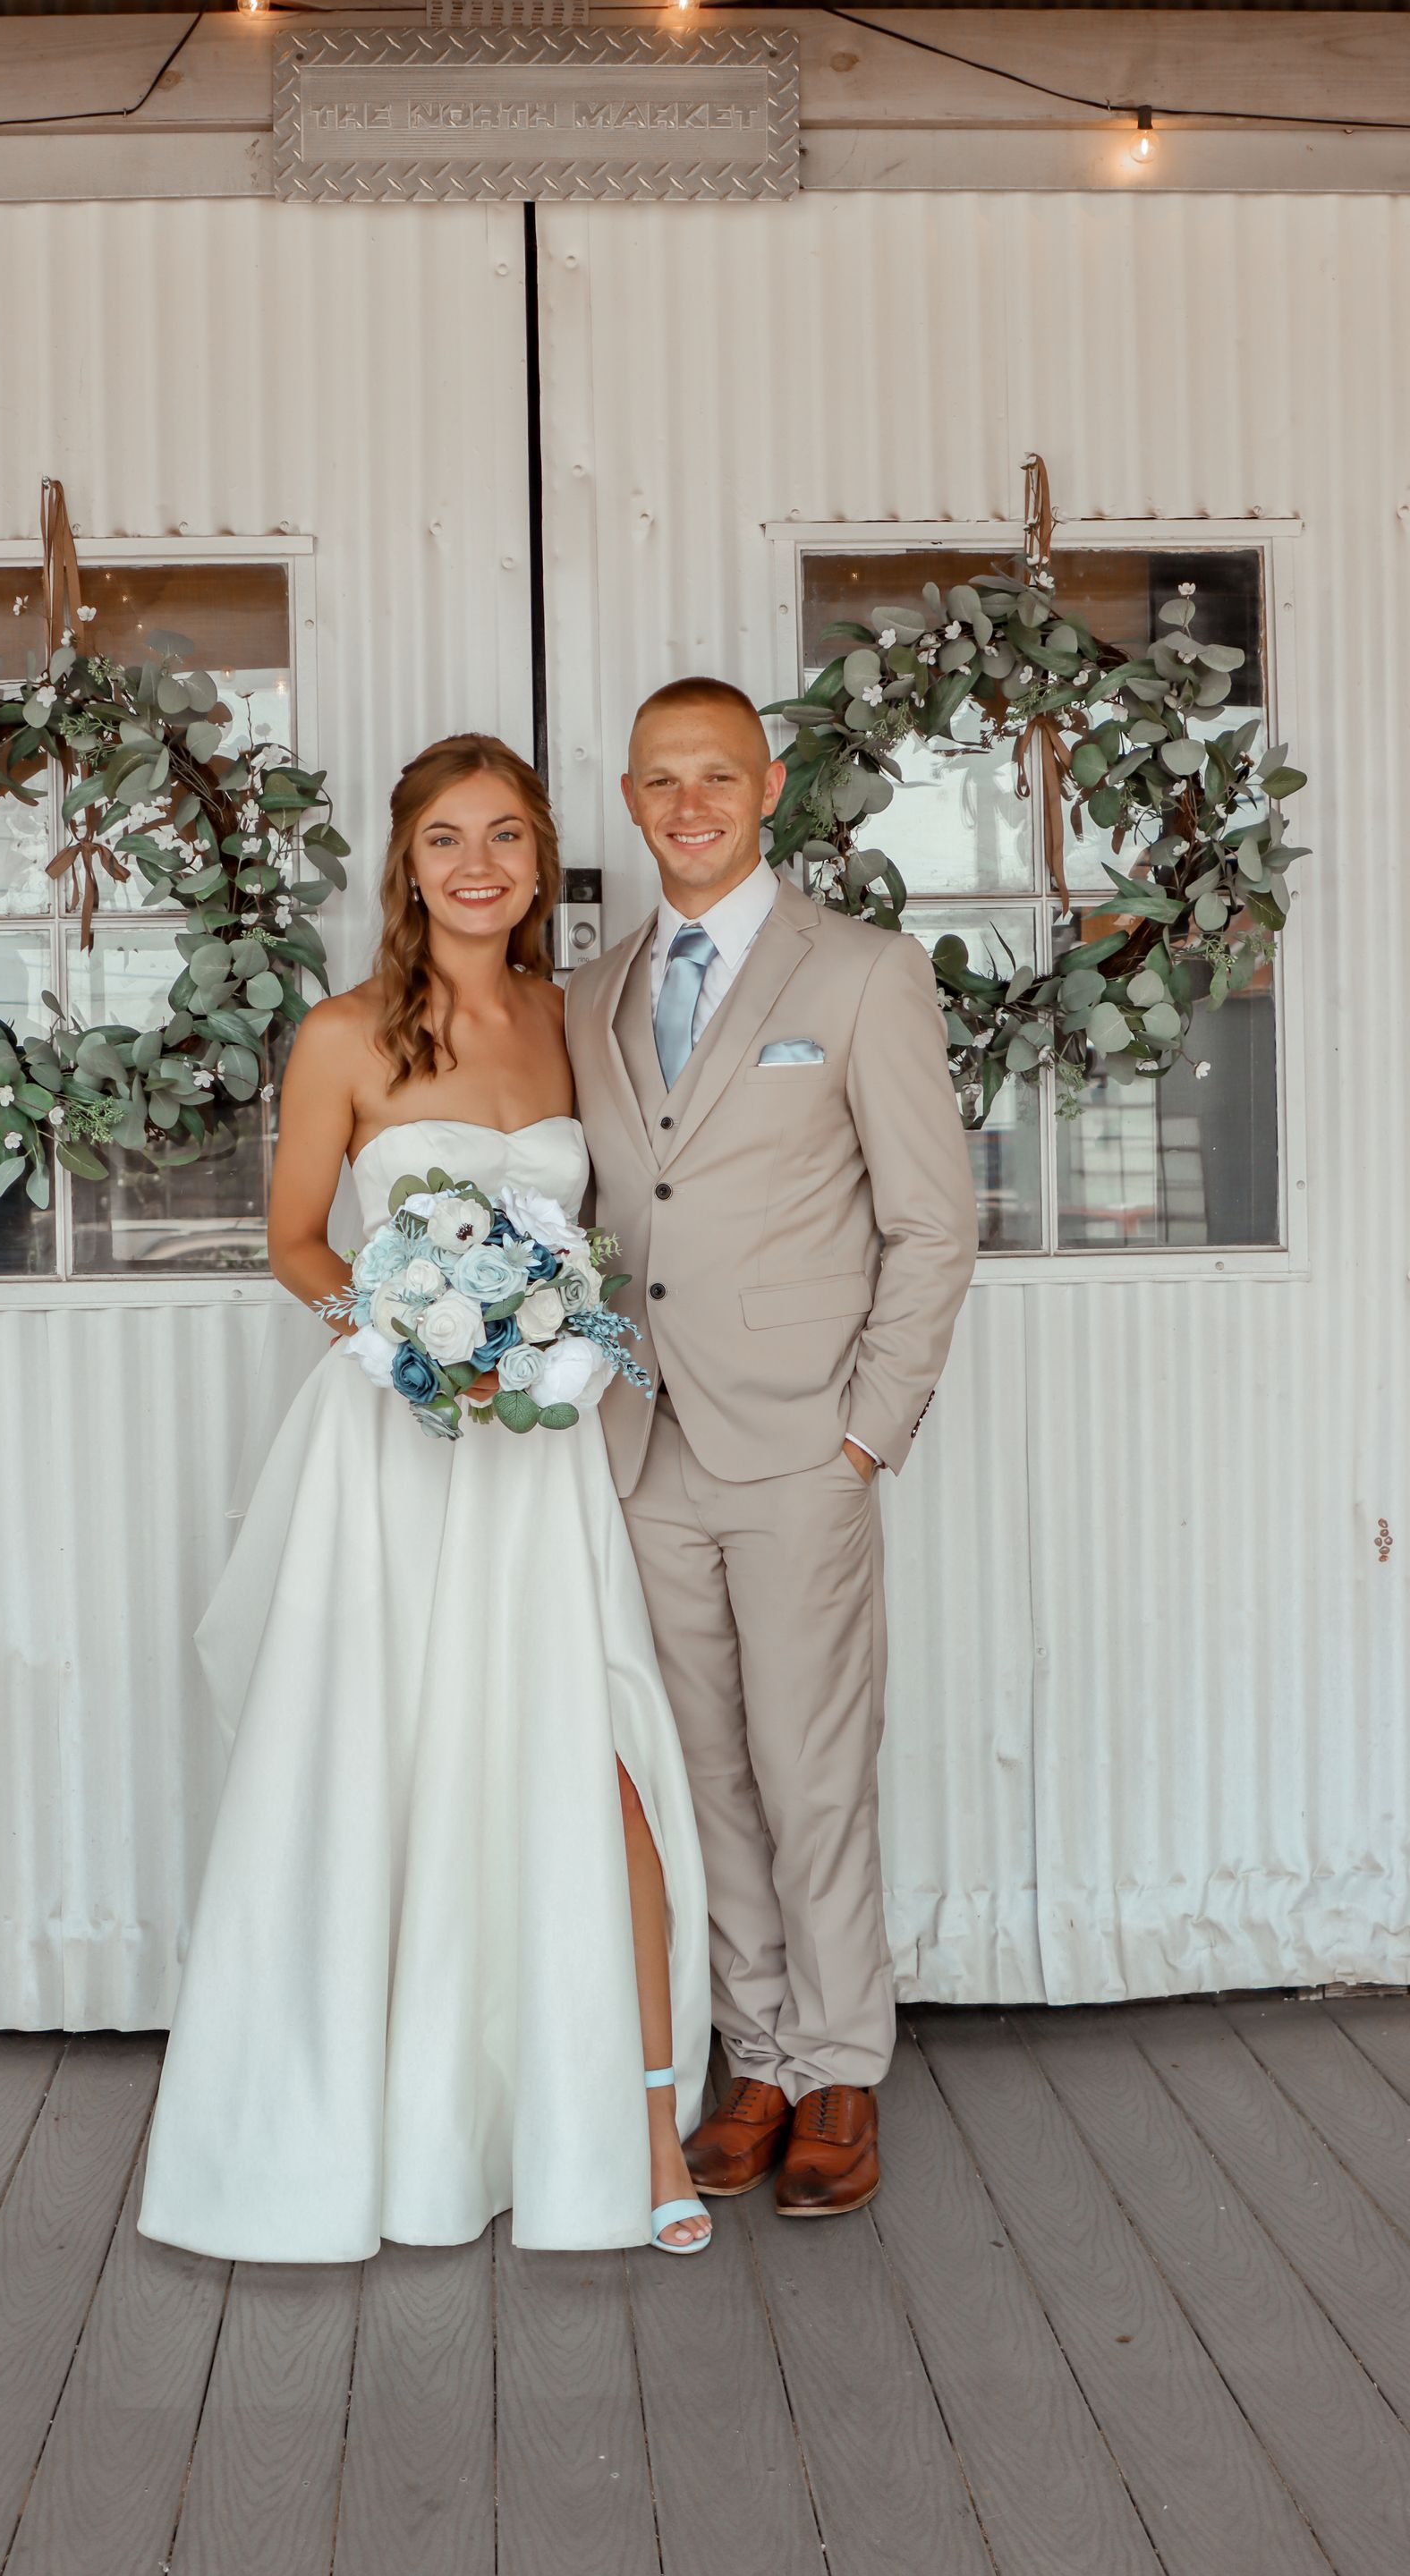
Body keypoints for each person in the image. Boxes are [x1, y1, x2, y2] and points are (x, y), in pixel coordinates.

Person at [137, 734, 713, 2264]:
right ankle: (369, 2132)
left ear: (537, 864)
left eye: (509, 837)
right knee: (381, 1774)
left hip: (539, 1463)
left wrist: (536, 1345)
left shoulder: (570, 1020)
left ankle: (640, 2126)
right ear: (406, 862)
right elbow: (299, 1247)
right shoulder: (339, 1036)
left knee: (590, 1765)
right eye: (448, 837)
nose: (479, 863)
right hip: (396, 1450)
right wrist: (412, 1345)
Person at [565, 678, 978, 2218]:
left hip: (807, 1443)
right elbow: (616, 1218)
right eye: (662, 780)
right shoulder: (594, 992)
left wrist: (871, 1432)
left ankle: (845, 2069)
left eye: (718, 776)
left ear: (771, 785)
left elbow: (931, 1221)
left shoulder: (863, 976)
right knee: (710, 1769)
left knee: (815, 1765)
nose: (691, 804)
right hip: (643, 1441)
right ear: (630, 794)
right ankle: (760, 2057)